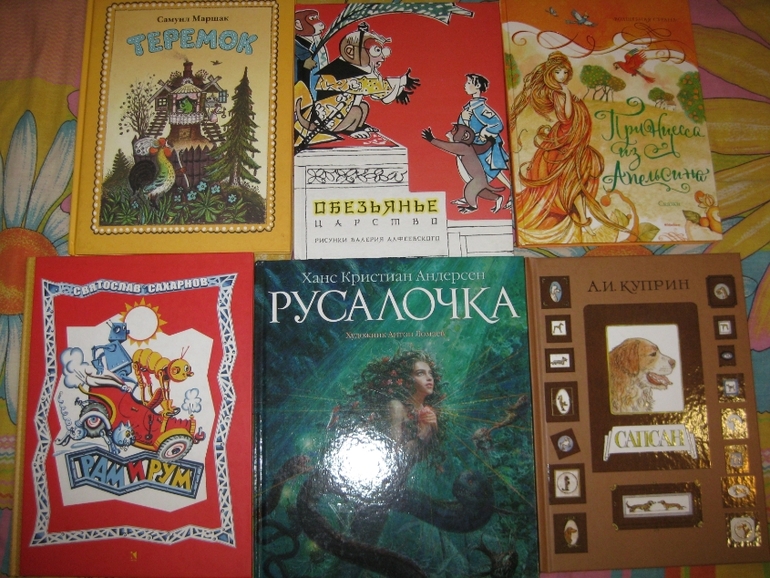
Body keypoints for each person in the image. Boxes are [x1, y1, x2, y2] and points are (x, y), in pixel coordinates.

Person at [511, 51, 621, 244]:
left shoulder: (561, 90)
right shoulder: (559, 92)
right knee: (573, 179)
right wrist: (568, 95)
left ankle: (583, 221)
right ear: (550, 74)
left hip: (571, 137)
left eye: (564, 72)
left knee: (578, 177)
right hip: (566, 138)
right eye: (558, 72)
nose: (562, 76)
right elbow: (566, 117)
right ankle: (583, 221)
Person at [352, 349, 443, 465]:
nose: (429, 378)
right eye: (420, 373)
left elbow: (427, 455)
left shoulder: (428, 412)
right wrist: (424, 434)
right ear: (407, 379)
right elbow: (395, 455)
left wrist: (433, 429)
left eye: (430, 373)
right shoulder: (397, 407)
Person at [458, 73, 511, 211]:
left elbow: (497, 124)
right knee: (484, 172)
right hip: (473, 145)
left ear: (477, 86)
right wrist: (464, 119)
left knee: (487, 172)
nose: (465, 85)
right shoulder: (471, 107)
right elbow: (464, 126)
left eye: (469, 83)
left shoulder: (481, 108)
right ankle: (472, 195)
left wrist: (484, 132)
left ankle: (510, 193)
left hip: (485, 146)